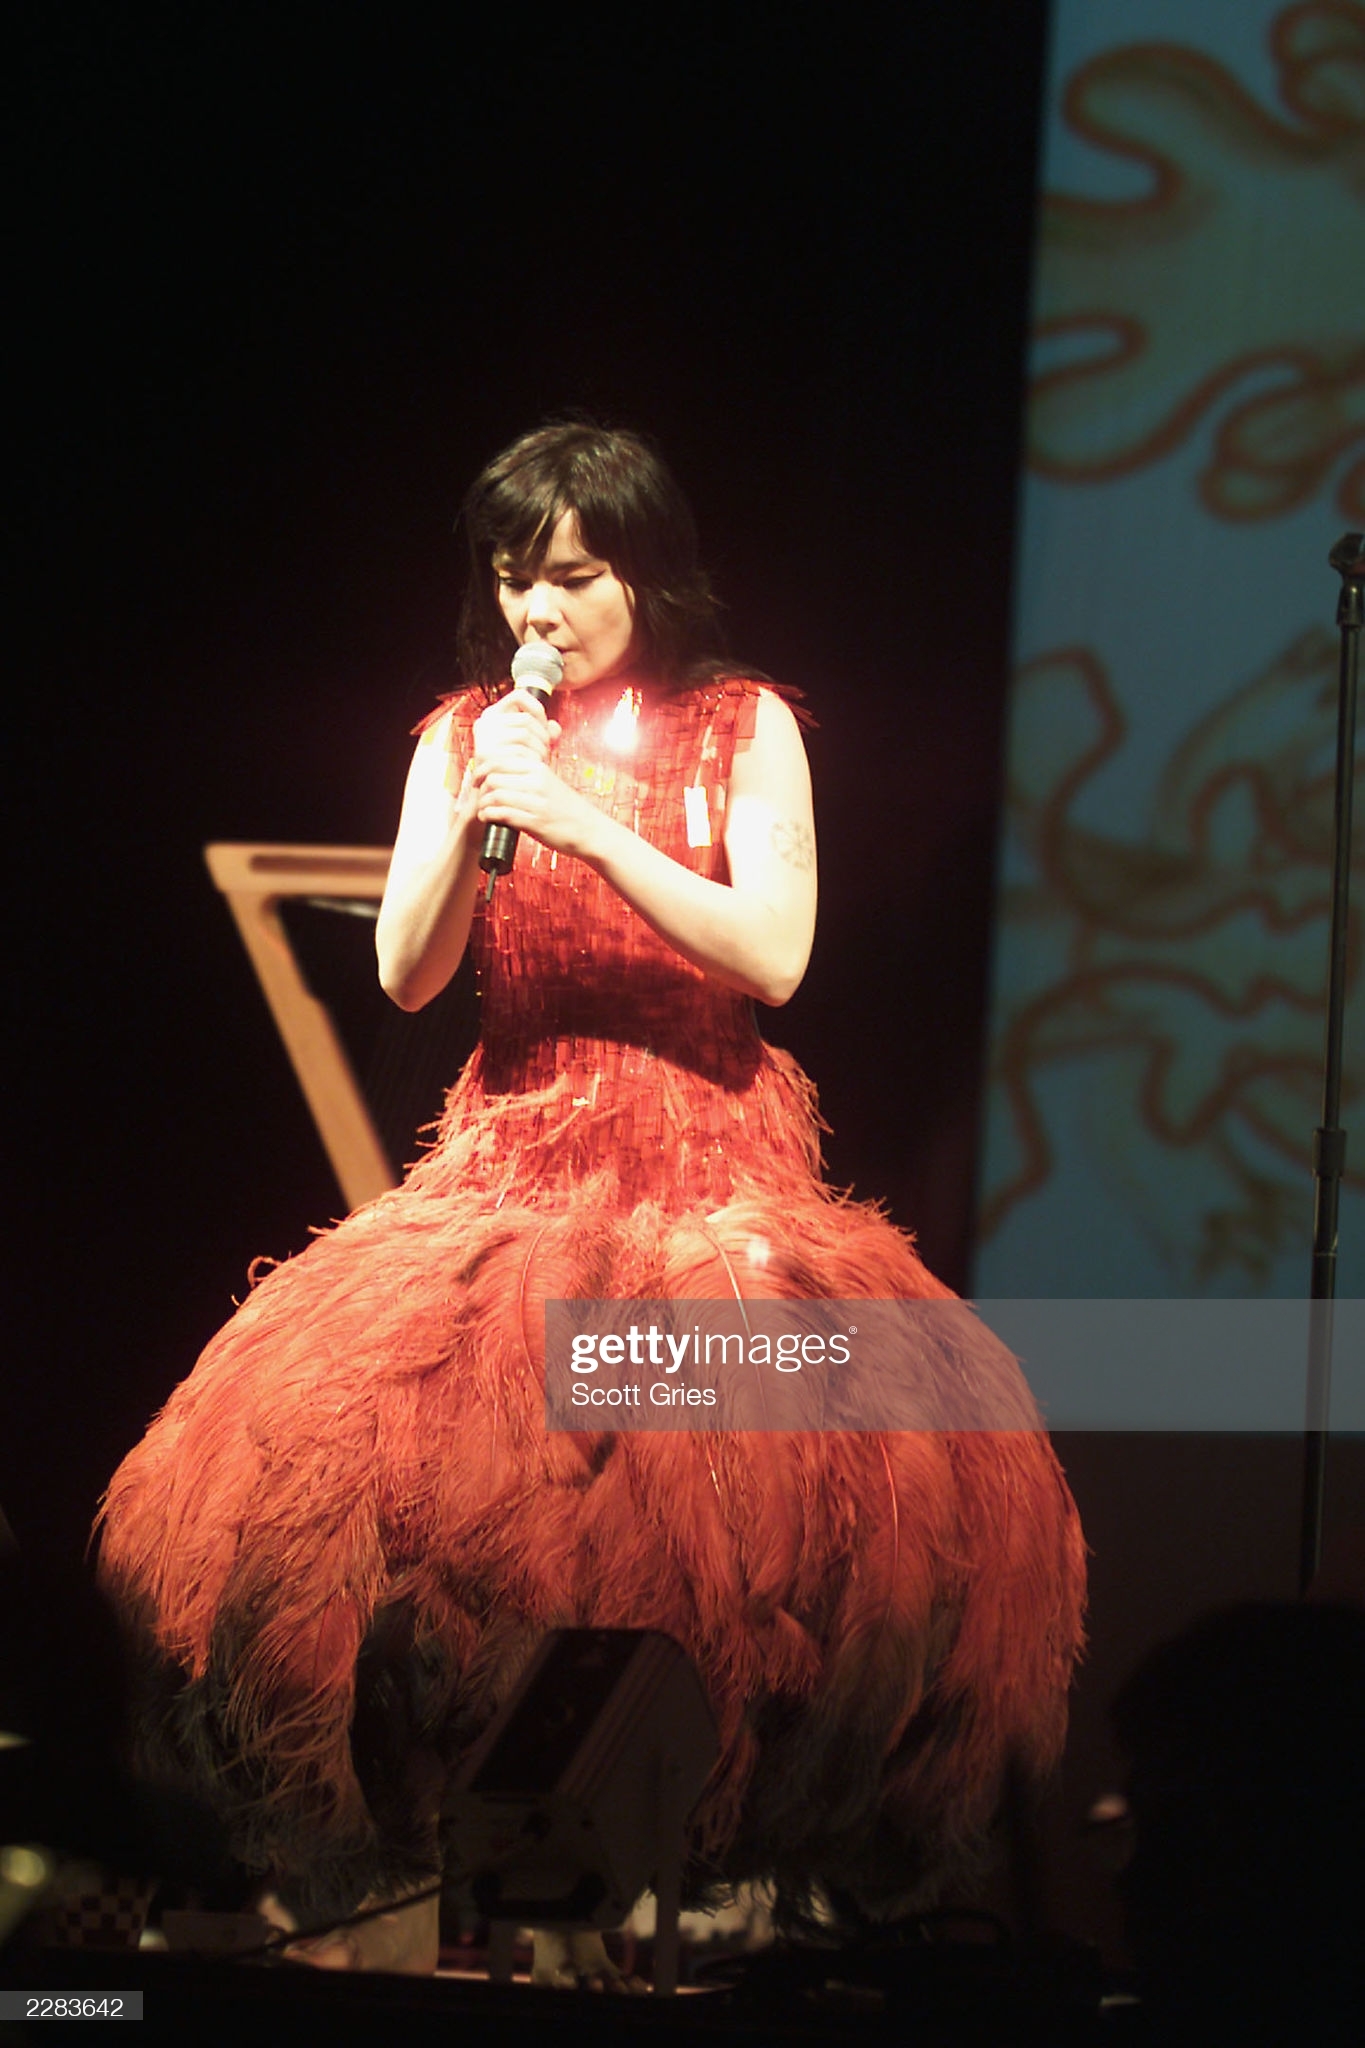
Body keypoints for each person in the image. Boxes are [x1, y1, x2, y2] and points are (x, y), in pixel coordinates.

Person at [97, 421, 1085, 1974]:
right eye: (513, 580)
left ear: (646, 573)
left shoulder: (744, 725)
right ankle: (497, 1904)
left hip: (705, 1177)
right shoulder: (464, 736)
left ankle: (695, 1882)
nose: (537, 612)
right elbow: (406, 970)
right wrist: (483, 808)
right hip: (512, 1168)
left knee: (721, 1533)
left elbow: (773, 955)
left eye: (570, 576)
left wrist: (586, 827)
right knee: (461, 1525)